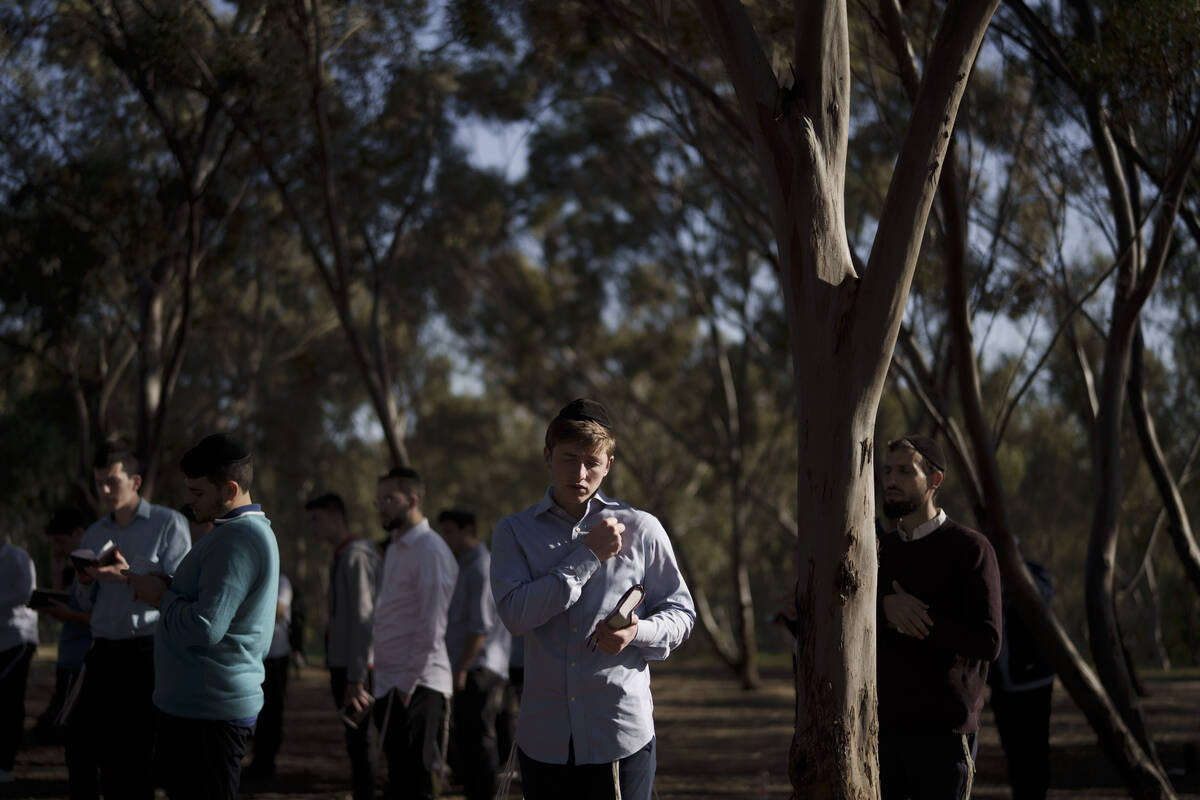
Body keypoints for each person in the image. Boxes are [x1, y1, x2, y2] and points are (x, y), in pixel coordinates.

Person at [491, 398, 695, 800]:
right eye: (568, 459)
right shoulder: (513, 532)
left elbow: (681, 612)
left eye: (592, 462)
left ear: (610, 463)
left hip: (619, 735)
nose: (580, 473)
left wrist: (637, 632)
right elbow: (515, 614)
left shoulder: (643, 528)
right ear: (548, 456)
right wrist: (589, 556)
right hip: (544, 739)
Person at [126, 432, 280, 800]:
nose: (189, 501)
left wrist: (163, 598)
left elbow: (206, 626)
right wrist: (174, 587)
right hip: (201, 710)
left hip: (208, 716)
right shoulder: (236, 533)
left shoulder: (237, 539)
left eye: (197, 493)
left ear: (229, 490)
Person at [876, 434, 1002, 800]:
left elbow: (989, 640)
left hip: (945, 736)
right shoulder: (880, 551)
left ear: (935, 481)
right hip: (885, 732)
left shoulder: (971, 549)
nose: (890, 481)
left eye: (904, 470)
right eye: (887, 471)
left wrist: (918, 620)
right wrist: (885, 609)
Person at [70, 439, 191, 800]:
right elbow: (84, 601)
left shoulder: (168, 524)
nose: (105, 490)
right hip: (102, 648)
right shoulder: (94, 533)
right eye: (99, 483)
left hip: (146, 651)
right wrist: (84, 581)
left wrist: (128, 574)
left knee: (133, 752)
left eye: (113, 481)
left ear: (135, 481)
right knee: (80, 741)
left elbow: (178, 586)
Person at [372, 467, 458, 800]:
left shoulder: (430, 550)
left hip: (418, 685)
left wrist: (406, 683)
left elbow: (432, 626)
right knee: (398, 781)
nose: (382, 507)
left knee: (416, 783)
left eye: (389, 499)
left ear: (413, 500)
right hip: (390, 682)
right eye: (378, 501)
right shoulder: (395, 547)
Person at [307, 492, 381, 800]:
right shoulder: (344, 555)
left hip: (358, 669)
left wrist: (356, 676)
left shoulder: (356, 556)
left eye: (317, 519)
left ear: (337, 515)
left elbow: (364, 619)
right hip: (349, 665)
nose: (313, 528)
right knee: (356, 741)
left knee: (362, 742)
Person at [438, 508, 512, 800]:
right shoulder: (464, 566)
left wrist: (461, 668)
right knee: (467, 739)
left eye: (450, 531)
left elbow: (479, 627)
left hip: (479, 667)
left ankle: (484, 793)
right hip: (469, 665)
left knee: (479, 738)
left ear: (468, 530)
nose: (446, 539)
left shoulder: (481, 566)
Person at [32, 505, 94, 794]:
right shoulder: (71, 567)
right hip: (67, 657)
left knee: (80, 735)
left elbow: (105, 619)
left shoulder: (99, 567)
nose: (57, 547)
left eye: (61, 541)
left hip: (84, 661)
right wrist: (57, 566)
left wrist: (68, 615)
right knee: (72, 737)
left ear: (79, 534)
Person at [989, 560, 1056, 800]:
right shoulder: (984, 574)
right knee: (1015, 755)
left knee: (1036, 752)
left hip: (1035, 682)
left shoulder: (1035, 574)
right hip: (1003, 686)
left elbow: (1046, 596)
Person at [245, 571, 294, 784]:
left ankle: (267, 762)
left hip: (276, 656)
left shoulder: (282, 580)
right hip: (254, 654)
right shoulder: (250, 578)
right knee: (254, 709)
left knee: (273, 709)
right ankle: (257, 759)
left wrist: (250, 602)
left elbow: (279, 609)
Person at [0, 536, 37, 786]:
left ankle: (6, 763)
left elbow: (27, 593)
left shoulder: (17, 557)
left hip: (18, 638)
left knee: (10, 699)